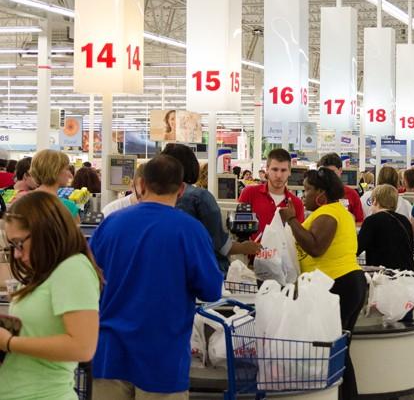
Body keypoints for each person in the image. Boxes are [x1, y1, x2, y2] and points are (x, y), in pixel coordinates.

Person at [91, 155, 223, 398]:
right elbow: (211, 290)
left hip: (110, 354)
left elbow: (89, 282)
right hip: (163, 358)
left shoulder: (110, 224)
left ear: (141, 184)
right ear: (181, 189)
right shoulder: (191, 231)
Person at [0, 192, 102, 398]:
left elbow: (82, 347)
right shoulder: (45, 272)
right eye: (13, 246)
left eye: (20, 243)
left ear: (45, 231)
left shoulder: (73, 269)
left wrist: (9, 343)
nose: (17, 254)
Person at [278, 167, 366, 399]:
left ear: (321, 195)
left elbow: (316, 247)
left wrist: (292, 221)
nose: (303, 195)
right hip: (343, 284)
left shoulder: (329, 213)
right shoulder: (334, 211)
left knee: (336, 351)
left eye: (307, 190)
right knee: (339, 350)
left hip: (338, 286)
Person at [162, 143, 260, 273]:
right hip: (202, 272)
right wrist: (244, 247)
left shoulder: (152, 198)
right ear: (192, 165)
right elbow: (219, 245)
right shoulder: (201, 197)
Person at [239, 148, 306, 240]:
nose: (279, 175)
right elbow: (239, 229)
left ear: (289, 171)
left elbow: (299, 239)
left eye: (283, 170)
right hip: (253, 254)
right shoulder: (249, 193)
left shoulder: (297, 203)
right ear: (267, 169)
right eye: (275, 169)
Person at [357, 185, 414, 272]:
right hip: (407, 274)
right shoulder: (404, 220)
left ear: (375, 201)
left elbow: (357, 248)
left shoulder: (371, 221)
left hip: (384, 275)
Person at [29, 149, 80, 220]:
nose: (70, 175)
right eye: (67, 169)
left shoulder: (22, 203)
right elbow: (74, 230)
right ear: (55, 171)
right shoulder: (67, 206)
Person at [319, 153, 365, 225]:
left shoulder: (352, 194)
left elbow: (360, 221)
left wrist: (345, 224)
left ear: (340, 170)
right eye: (326, 172)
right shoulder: (317, 193)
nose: (329, 176)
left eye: (332, 172)